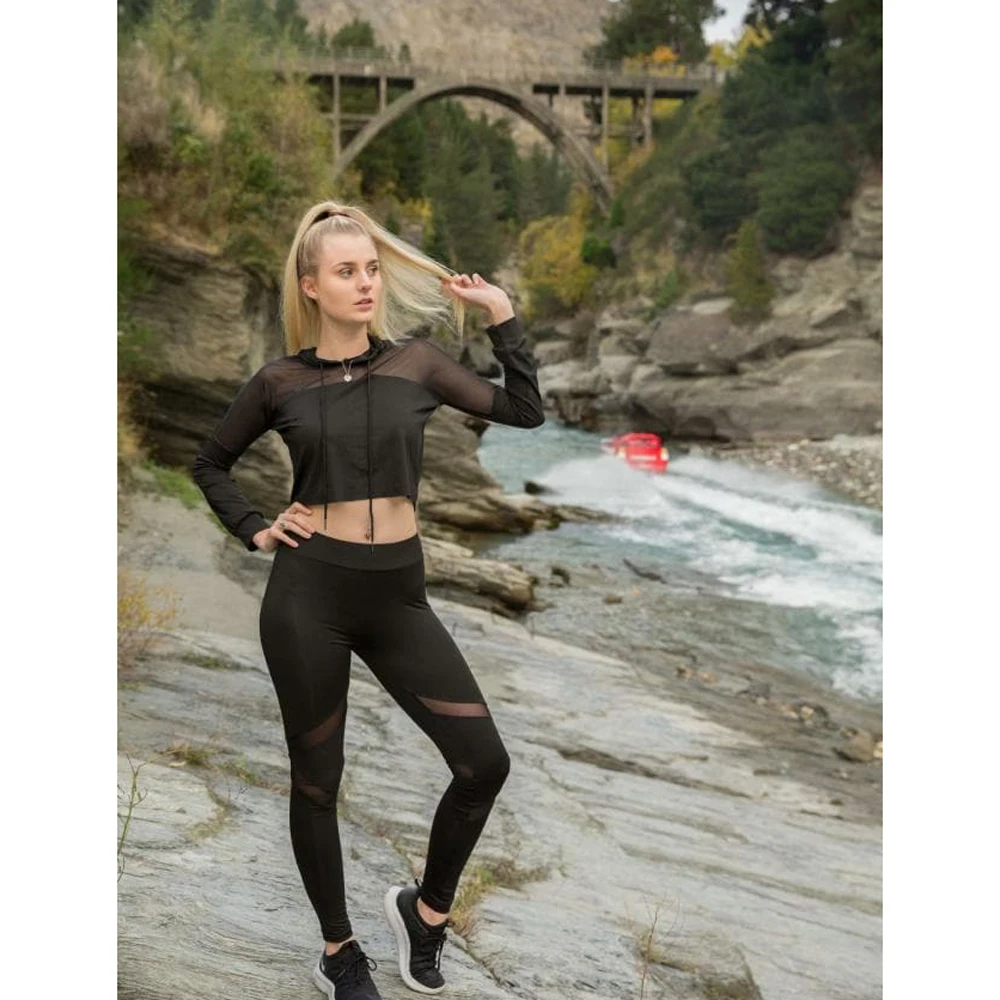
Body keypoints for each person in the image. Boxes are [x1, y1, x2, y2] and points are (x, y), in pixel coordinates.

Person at [191, 201, 545, 999]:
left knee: (484, 763)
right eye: (346, 271)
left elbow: (526, 412)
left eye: (372, 269)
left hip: (398, 599)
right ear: (311, 286)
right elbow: (210, 463)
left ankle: (425, 913)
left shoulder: (417, 364)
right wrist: (256, 528)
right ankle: (338, 951)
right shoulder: (280, 381)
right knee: (318, 781)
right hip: (308, 596)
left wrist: (502, 316)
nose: (365, 283)